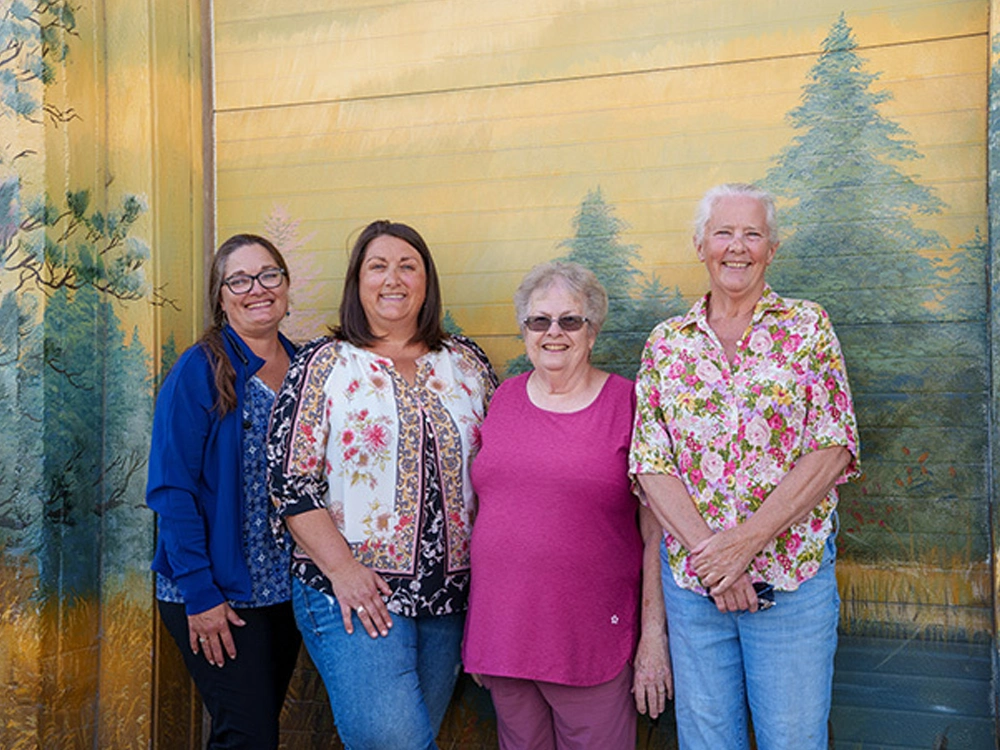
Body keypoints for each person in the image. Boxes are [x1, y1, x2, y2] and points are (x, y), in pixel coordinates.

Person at [630, 183, 860, 750]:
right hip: (695, 592)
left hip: (791, 587)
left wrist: (744, 546)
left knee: (793, 740)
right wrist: (716, 559)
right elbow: (651, 462)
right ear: (700, 244)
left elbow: (833, 447)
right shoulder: (667, 344)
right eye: (724, 232)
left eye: (753, 234)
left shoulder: (807, 329)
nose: (738, 246)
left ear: (772, 249)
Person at [267, 220, 497, 750]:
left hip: (450, 599)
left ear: (426, 281)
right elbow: (289, 484)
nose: (393, 279)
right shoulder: (322, 364)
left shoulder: (466, 363)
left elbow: (500, 470)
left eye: (407, 266)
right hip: (356, 594)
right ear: (358, 282)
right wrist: (344, 571)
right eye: (378, 266)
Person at [463, 260, 673, 750]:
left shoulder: (628, 403)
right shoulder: (504, 399)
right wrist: (477, 633)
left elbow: (656, 532)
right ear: (525, 331)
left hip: (591, 639)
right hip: (504, 635)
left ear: (592, 330)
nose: (553, 332)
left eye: (569, 320)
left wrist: (653, 639)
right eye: (539, 320)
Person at [147, 233, 301, 749]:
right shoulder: (200, 369)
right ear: (220, 295)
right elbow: (171, 491)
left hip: (284, 591)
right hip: (217, 590)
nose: (256, 289)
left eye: (268, 275)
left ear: (285, 285)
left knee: (256, 731)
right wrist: (200, 593)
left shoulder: (306, 368)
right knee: (247, 736)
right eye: (239, 279)